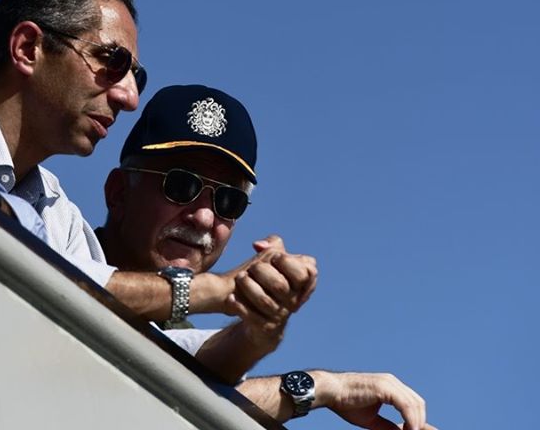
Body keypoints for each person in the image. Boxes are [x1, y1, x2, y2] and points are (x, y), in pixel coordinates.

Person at [0, 0, 317, 382]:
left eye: (229, 200)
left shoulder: (53, 209)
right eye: (111, 61)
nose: (129, 98)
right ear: (28, 48)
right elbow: (54, 280)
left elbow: (142, 338)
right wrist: (216, 290)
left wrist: (260, 327)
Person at [98, 84, 436, 430]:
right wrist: (223, 290)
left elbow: (184, 397)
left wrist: (264, 330)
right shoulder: (64, 241)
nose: (204, 217)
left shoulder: (178, 331)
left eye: (228, 201)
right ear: (118, 192)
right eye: (181, 185)